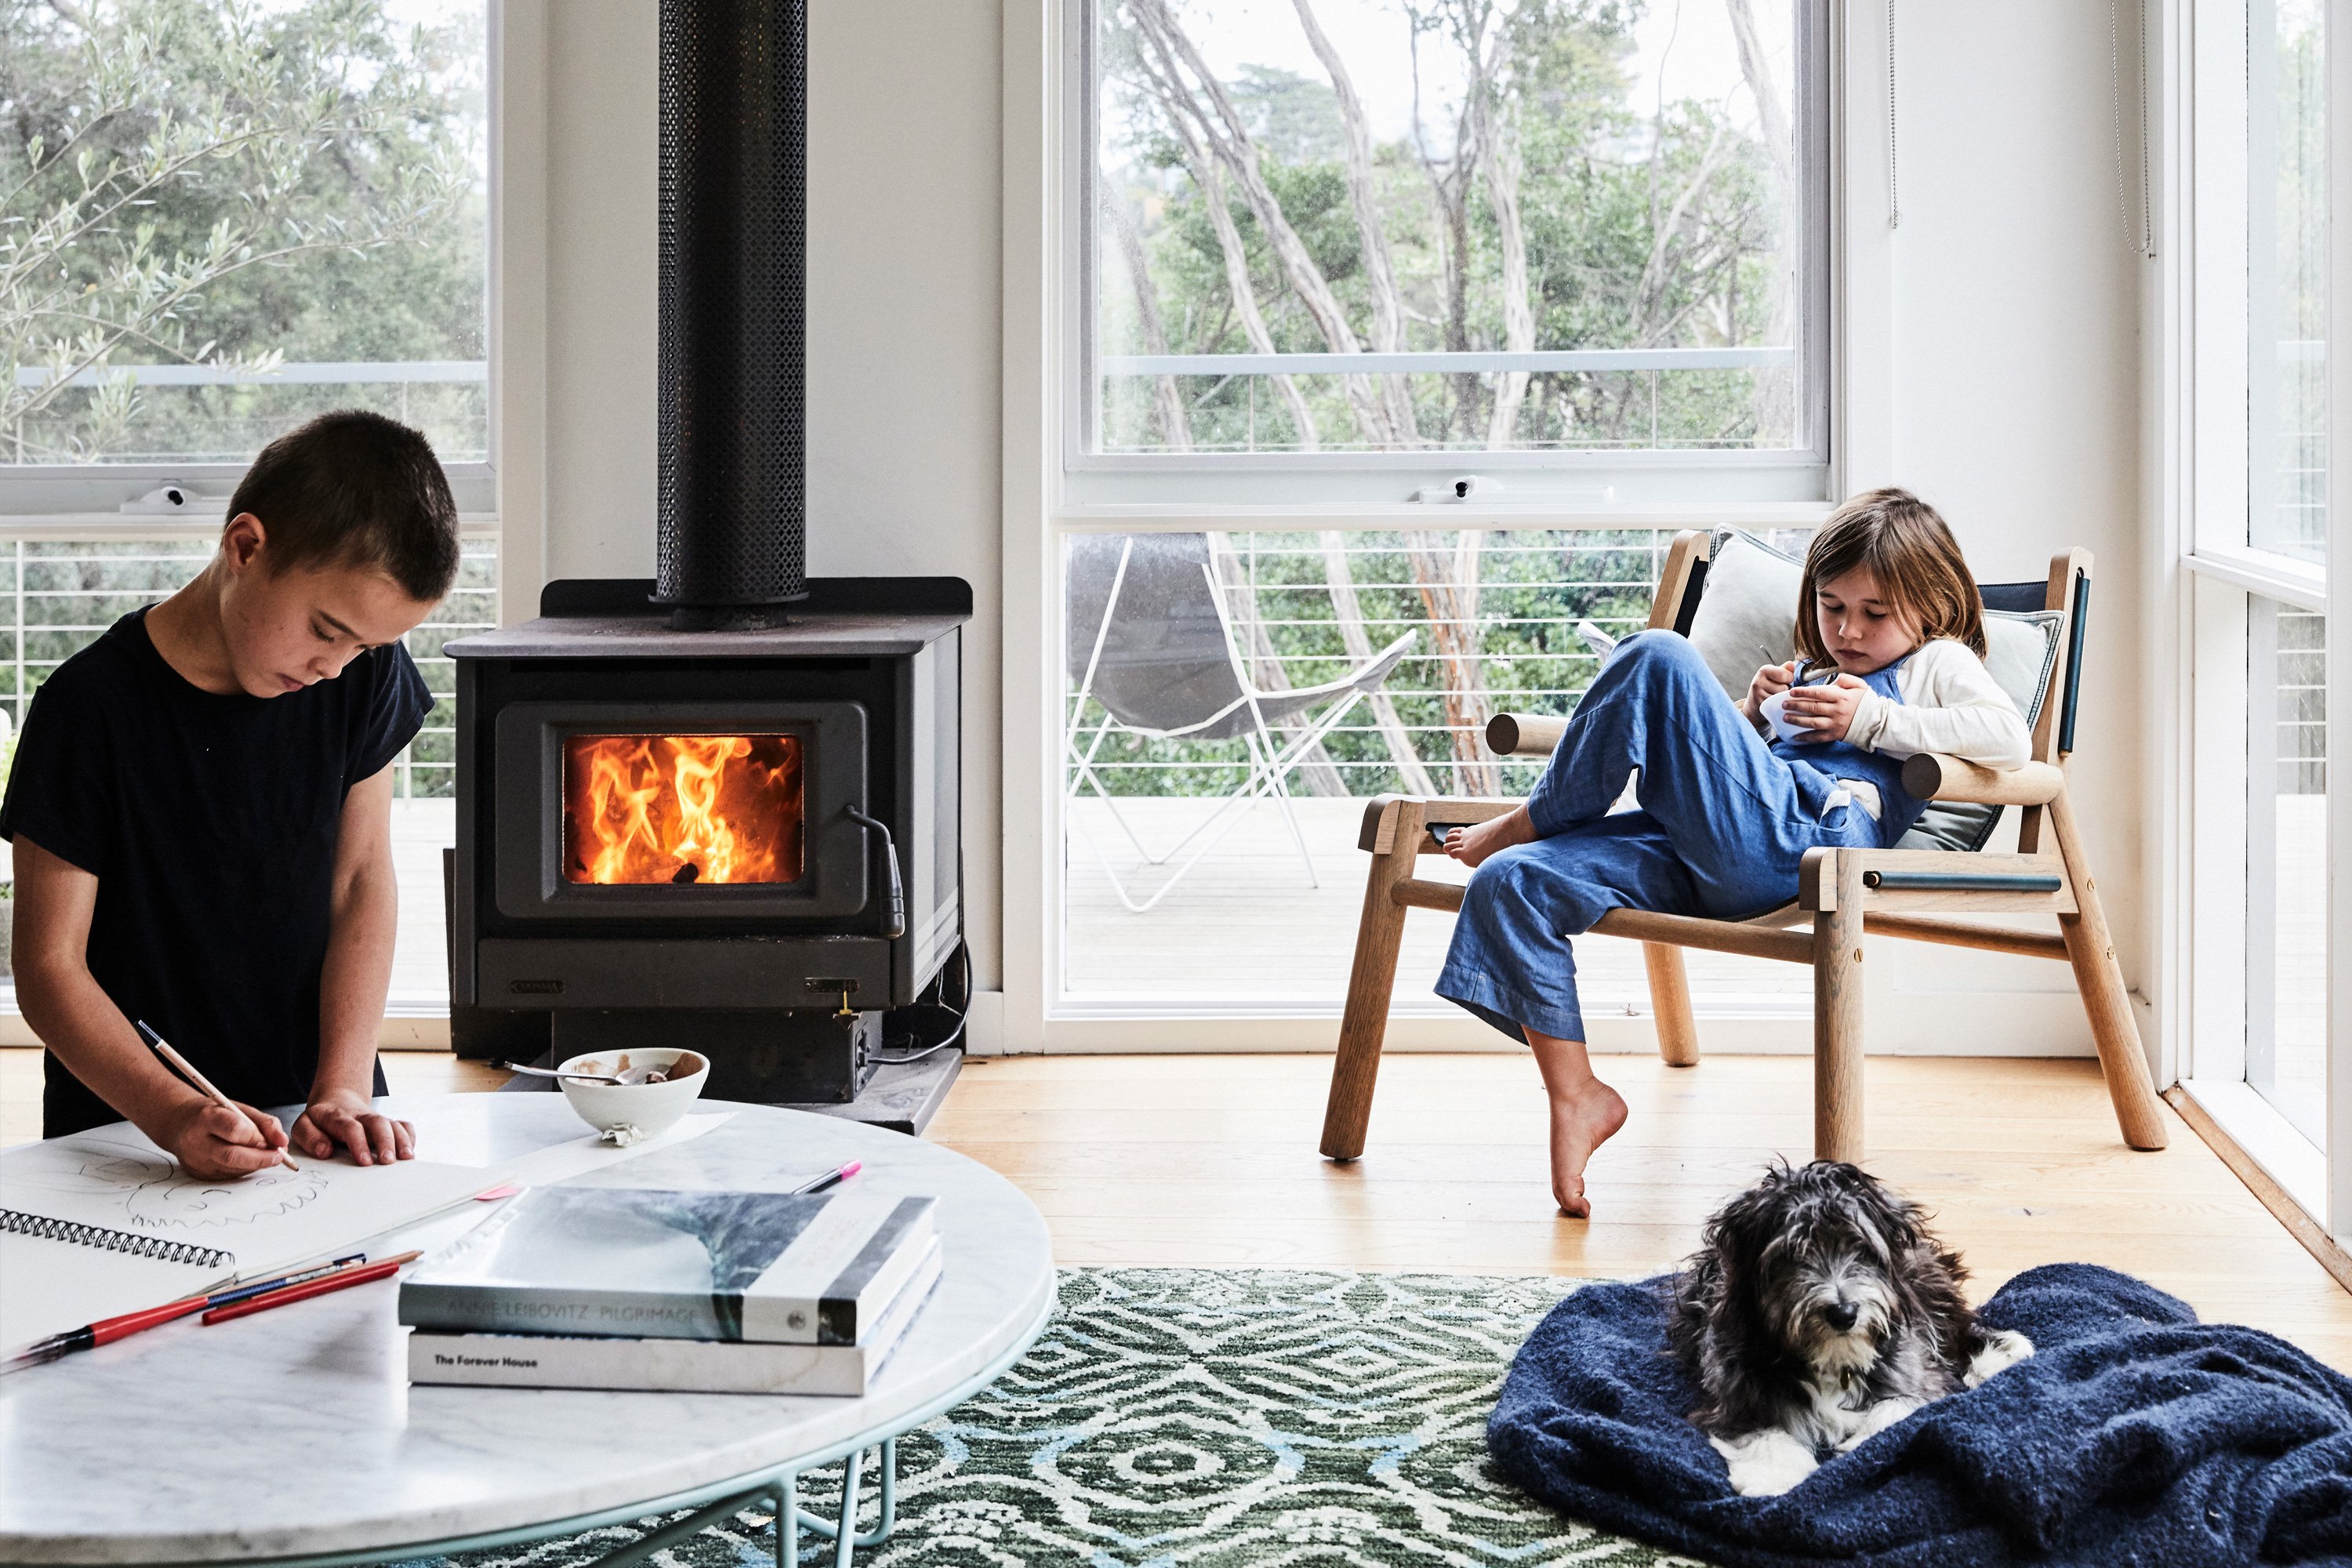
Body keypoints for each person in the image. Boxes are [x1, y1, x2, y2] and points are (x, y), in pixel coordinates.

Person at [1436, 490, 2031, 1218]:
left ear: (1931, 607)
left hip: (1805, 850)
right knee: (1510, 879)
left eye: (1875, 614)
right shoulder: (1810, 669)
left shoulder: (1935, 663)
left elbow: (2009, 739)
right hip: (1711, 850)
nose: (1847, 630)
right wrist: (1750, 716)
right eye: (1830, 604)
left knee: (1657, 653)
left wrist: (1871, 718)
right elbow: (1736, 771)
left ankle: (1531, 814)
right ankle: (1577, 1093)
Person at [5, 409, 459, 1178]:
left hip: (323, 1116)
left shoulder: (362, 678)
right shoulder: (85, 709)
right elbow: (49, 966)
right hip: (127, 1130)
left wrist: (345, 1083)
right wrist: (171, 1110)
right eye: (326, 628)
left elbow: (360, 881)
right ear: (246, 546)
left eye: (365, 647)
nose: (335, 666)